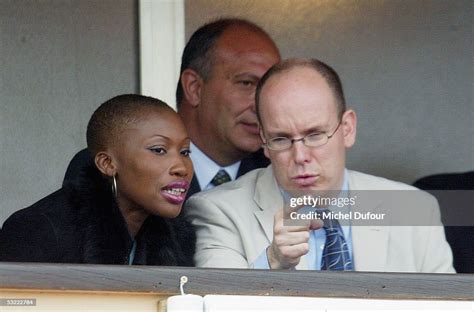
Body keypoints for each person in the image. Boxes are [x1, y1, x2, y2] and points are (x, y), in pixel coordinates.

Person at [185, 59, 455, 273]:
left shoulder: (414, 208)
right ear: (264, 143)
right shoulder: (219, 211)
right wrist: (271, 263)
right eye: (281, 139)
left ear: (347, 129)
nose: (300, 155)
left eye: (315, 135)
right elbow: (215, 303)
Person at [0, 95, 195, 265]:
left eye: (185, 152)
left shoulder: (178, 239)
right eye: (158, 150)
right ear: (107, 164)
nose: (181, 168)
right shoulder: (39, 230)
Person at [176, 18, 281, 197]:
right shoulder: (138, 175)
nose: (263, 107)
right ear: (194, 88)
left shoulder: (283, 174)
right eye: (246, 83)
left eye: (270, 88)